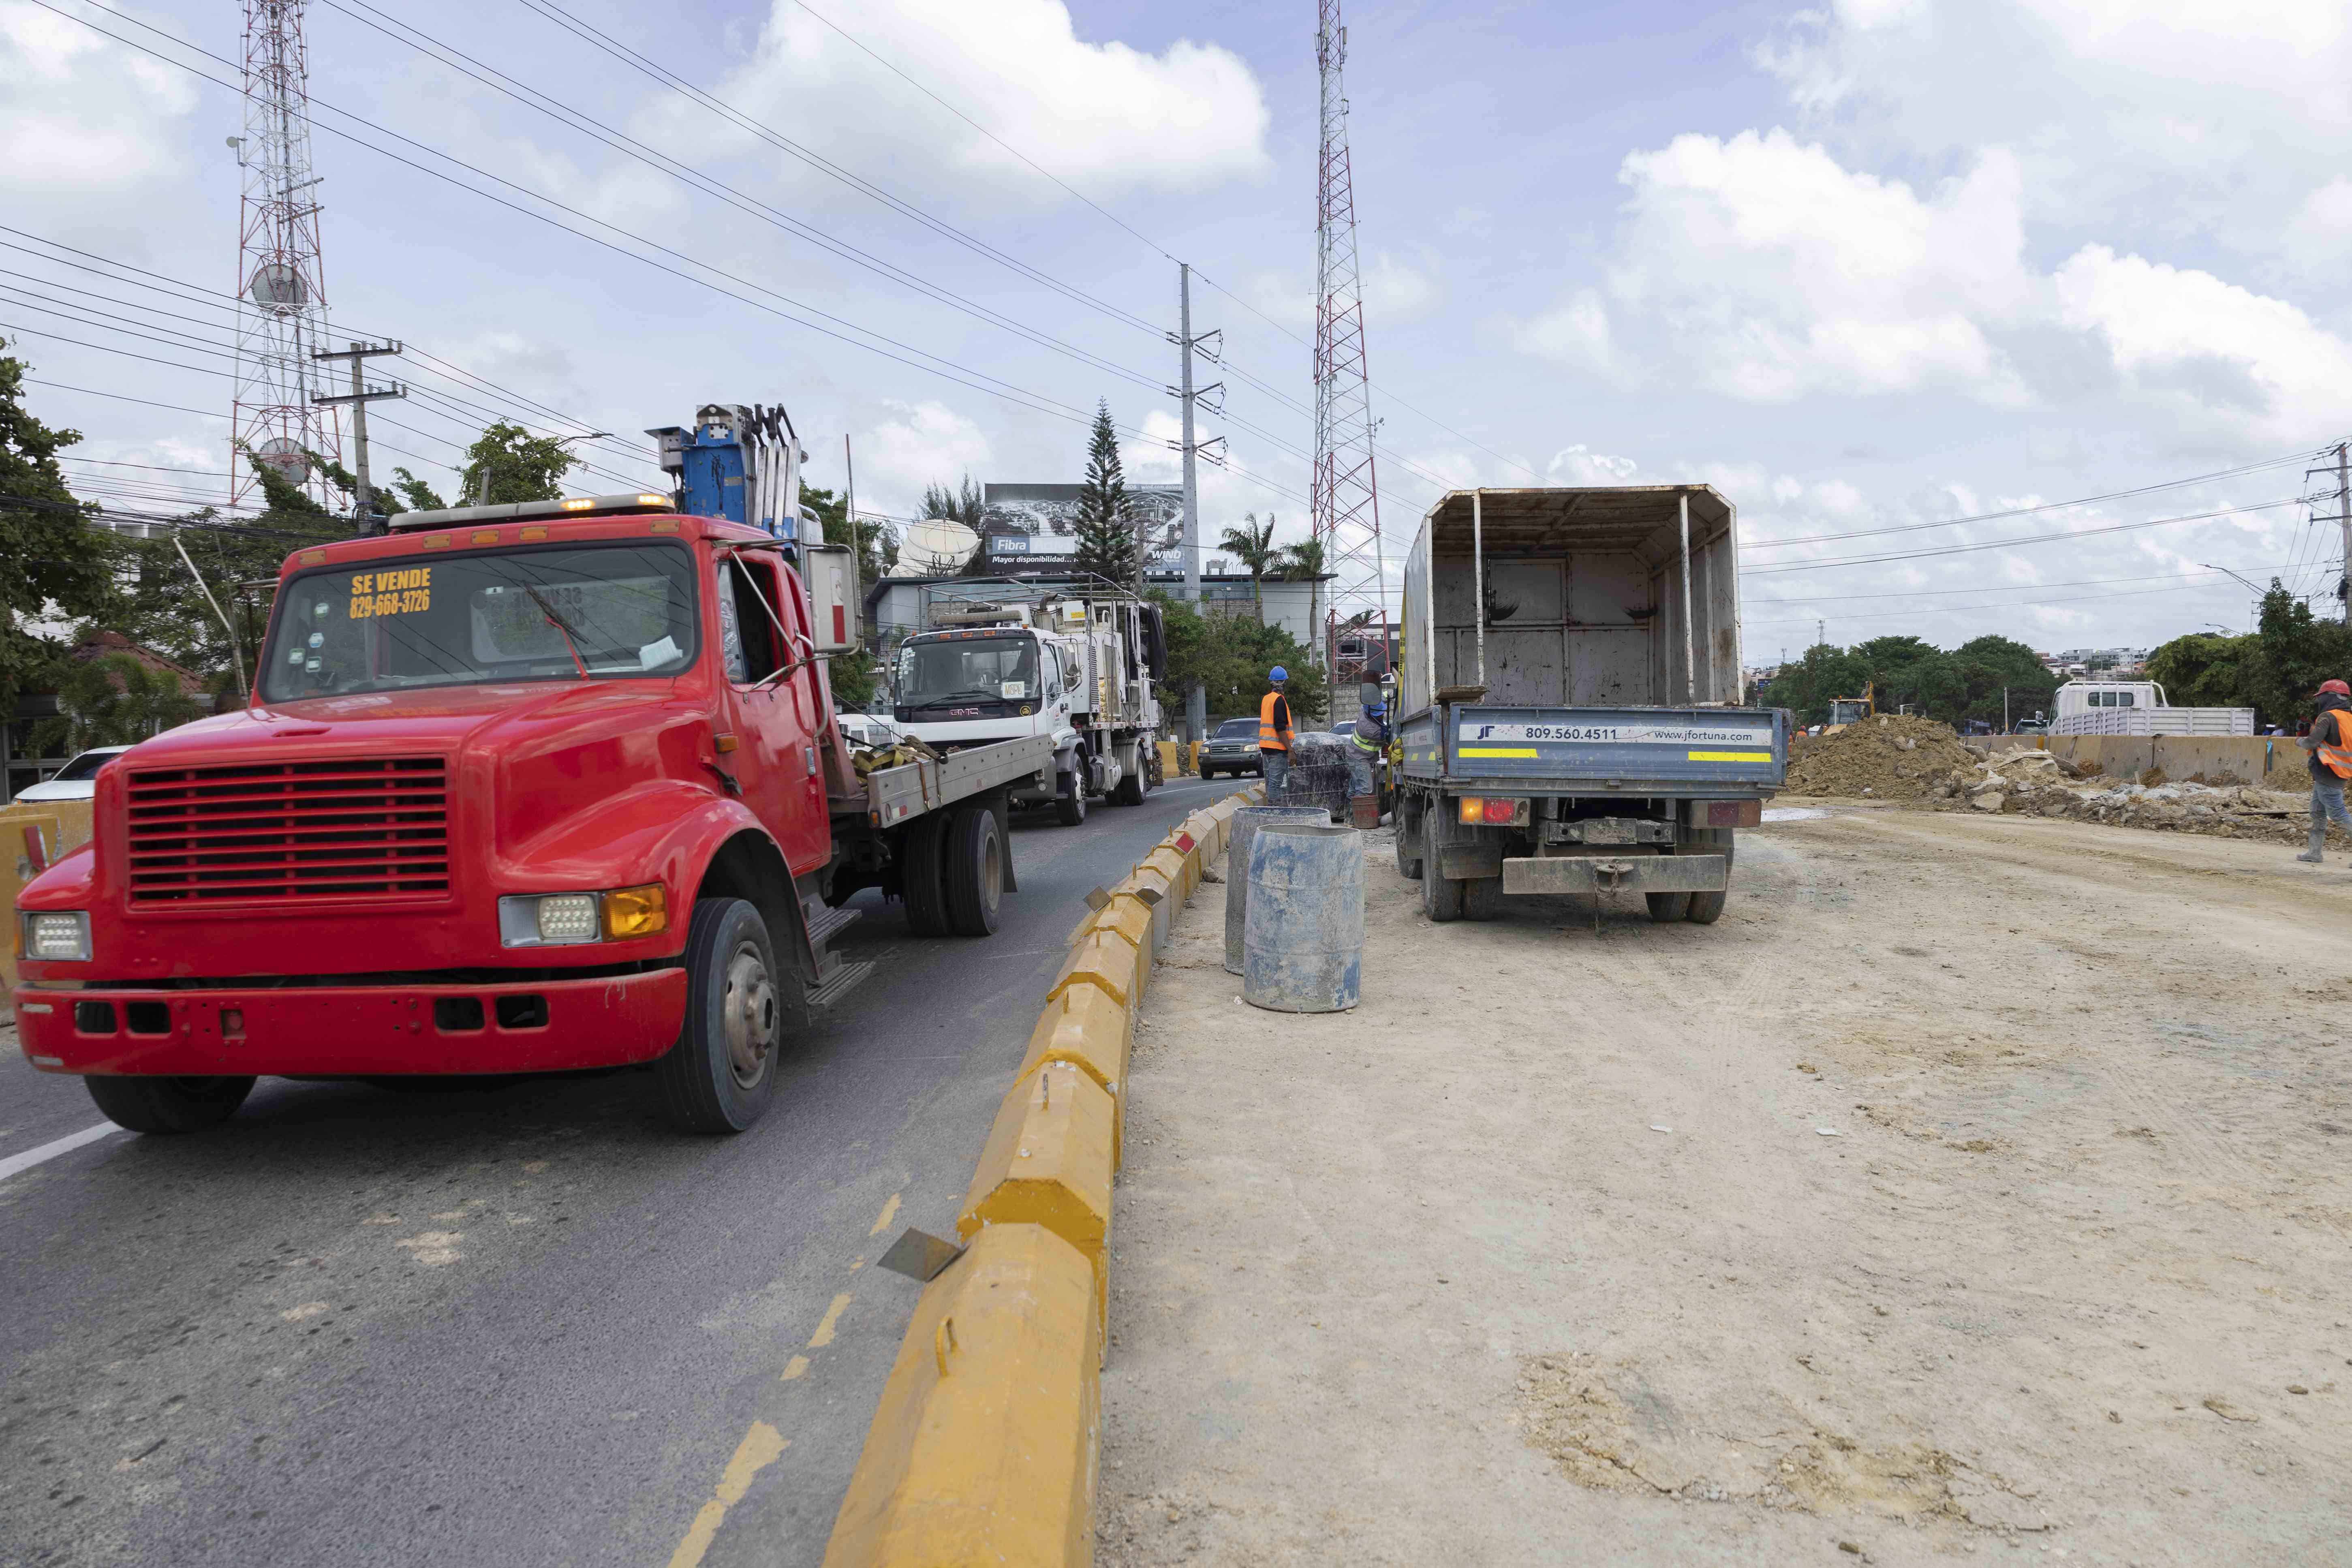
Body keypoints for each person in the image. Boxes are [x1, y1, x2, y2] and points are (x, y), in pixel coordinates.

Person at [2295, 678, 2352, 865]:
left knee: (2338, 815)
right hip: (2337, 771)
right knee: (2317, 812)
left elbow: (2312, 742)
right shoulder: (2349, 717)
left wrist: (2299, 741)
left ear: (2329, 697)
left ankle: (2315, 853)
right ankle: (2314, 853)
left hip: (2328, 772)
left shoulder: (2327, 717)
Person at [1258, 666, 1295, 801]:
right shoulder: (1279, 700)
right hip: (1277, 748)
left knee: (1272, 783)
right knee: (1275, 785)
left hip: (1266, 747)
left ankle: (1274, 809)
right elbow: (1280, 727)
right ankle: (1275, 812)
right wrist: (1290, 750)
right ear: (1283, 682)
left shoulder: (1266, 699)